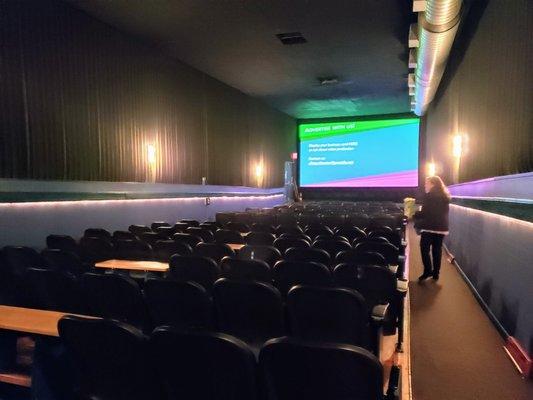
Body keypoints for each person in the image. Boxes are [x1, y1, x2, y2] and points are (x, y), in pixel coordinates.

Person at [415, 176, 450, 281]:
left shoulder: (429, 196)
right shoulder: (445, 196)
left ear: (433, 184)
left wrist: (414, 214)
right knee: (437, 250)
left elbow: (425, 213)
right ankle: (436, 274)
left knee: (424, 250)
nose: (425, 185)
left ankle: (427, 271)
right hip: (442, 227)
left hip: (429, 226)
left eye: (427, 183)